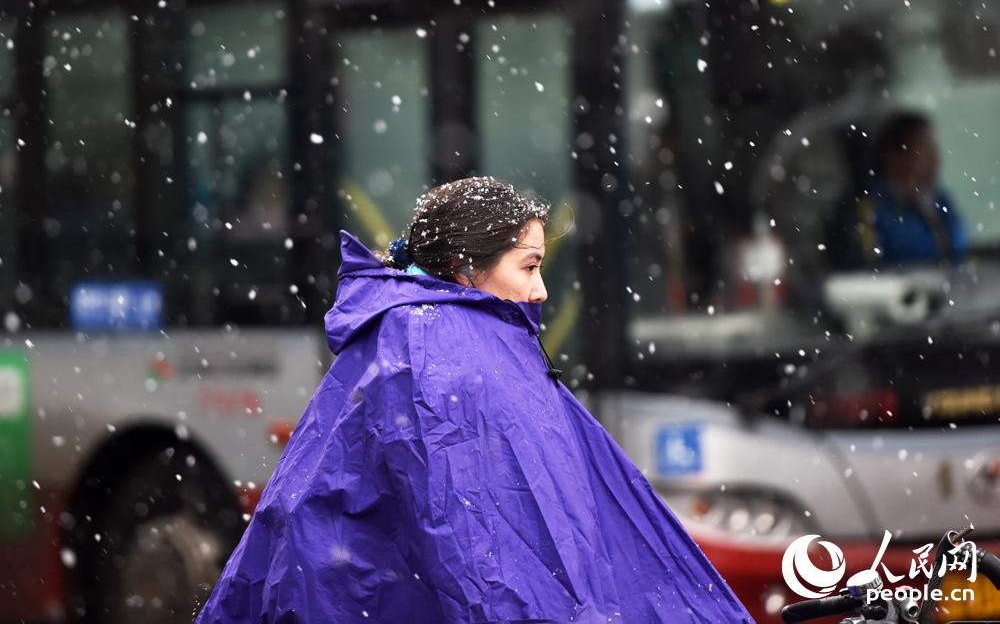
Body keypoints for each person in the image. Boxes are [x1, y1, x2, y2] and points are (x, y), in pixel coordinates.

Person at [196, 177, 752, 623]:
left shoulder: (406, 329)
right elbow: (487, 543)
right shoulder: (448, 349)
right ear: (466, 268)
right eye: (529, 266)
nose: (540, 290)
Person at [830, 111, 968, 269]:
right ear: (894, 157)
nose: (935, 159)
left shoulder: (938, 201)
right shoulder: (866, 207)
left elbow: (958, 251)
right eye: (924, 150)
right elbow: (870, 268)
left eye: (934, 149)